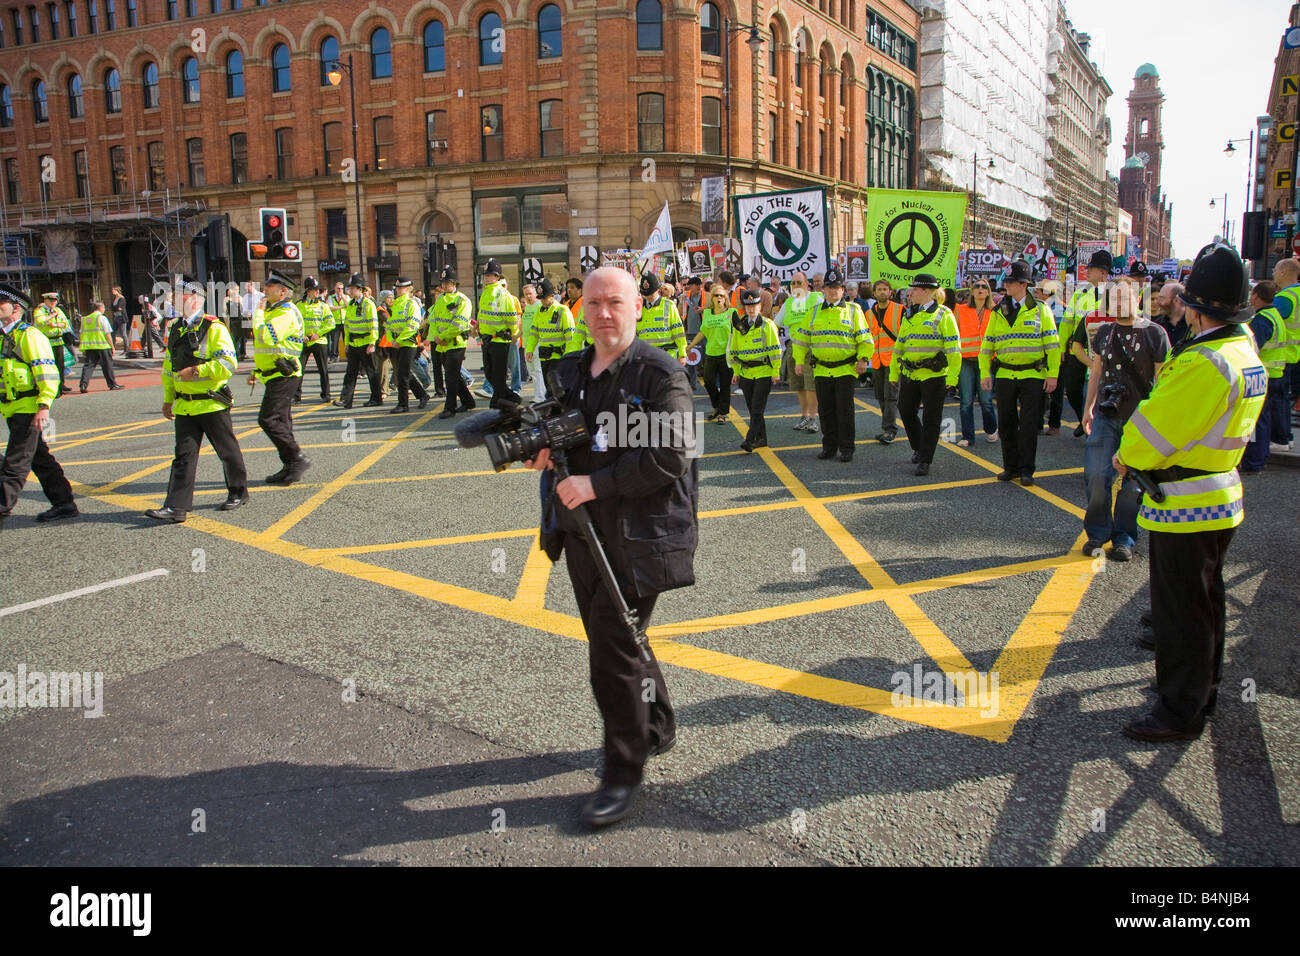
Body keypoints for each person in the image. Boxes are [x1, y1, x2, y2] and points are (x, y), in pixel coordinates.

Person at [525, 267, 696, 826]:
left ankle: (622, 771)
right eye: (593, 302)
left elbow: (669, 455)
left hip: (637, 536)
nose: (602, 312)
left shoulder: (659, 374)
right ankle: (658, 723)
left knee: (609, 653)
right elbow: (565, 436)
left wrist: (595, 484)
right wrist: (544, 452)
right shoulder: (572, 372)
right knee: (622, 637)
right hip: (580, 533)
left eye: (614, 302)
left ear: (638, 307)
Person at [1115, 243, 1265, 742]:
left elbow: (1156, 431)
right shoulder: (1242, 350)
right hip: (1219, 494)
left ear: (1198, 308)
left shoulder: (1205, 361)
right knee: (1207, 603)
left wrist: (1127, 454)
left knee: (1180, 613)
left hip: (1186, 501)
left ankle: (1179, 710)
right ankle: (1205, 691)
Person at [1079, 277, 1170, 560]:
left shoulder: (1156, 333)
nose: (1117, 304)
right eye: (1113, 299)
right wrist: (1087, 408)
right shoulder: (1104, 332)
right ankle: (1097, 532)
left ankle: (1124, 537)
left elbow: (1163, 380)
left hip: (1141, 419)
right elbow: (1096, 372)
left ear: (1137, 299)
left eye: (1123, 298)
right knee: (1096, 474)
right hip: (1107, 413)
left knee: (1132, 483)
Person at [145, 277, 248, 522]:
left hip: (211, 401)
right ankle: (176, 507)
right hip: (185, 405)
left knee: (227, 451)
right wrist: (168, 398)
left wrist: (197, 371)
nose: (172, 299)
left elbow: (227, 364)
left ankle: (238, 491)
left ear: (193, 298)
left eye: (178, 294)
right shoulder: (177, 328)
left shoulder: (214, 327)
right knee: (183, 456)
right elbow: (169, 367)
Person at [0, 284, 78, 528]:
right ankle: (64, 503)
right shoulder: (5, 336)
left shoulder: (29, 335)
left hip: (29, 409)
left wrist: (44, 405)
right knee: (38, 458)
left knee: (15, 465)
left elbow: (47, 372)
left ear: (15, 308)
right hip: (12, 408)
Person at [978, 259, 1060, 486]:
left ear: (1023, 284)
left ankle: (1026, 469)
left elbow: (1053, 346)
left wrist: (1052, 374)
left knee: (1029, 425)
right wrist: (985, 372)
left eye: (1011, 281)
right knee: (1006, 423)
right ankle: (1010, 467)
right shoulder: (998, 311)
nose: (1007, 285)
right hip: (1005, 375)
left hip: (1032, 375)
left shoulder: (1041, 310)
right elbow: (987, 346)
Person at [793, 267, 873, 462]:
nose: (832, 291)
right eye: (829, 288)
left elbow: (865, 339)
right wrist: (799, 360)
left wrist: (863, 359)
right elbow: (802, 339)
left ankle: (846, 448)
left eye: (836, 287)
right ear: (823, 290)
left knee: (845, 411)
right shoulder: (813, 313)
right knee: (826, 411)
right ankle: (829, 447)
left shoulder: (854, 311)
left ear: (843, 289)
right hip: (821, 369)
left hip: (845, 369)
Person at [890, 275, 961, 476]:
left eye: (915, 289)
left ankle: (925, 459)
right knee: (905, 410)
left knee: (931, 418)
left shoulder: (943, 314)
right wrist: (894, 372)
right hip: (911, 372)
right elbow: (900, 346)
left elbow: (954, 348)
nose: (911, 292)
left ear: (928, 291)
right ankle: (920, 447)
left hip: (934, 374)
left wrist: (952, 378)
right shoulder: (909, 313)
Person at [248, 271, 311, 484]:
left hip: (285, 374)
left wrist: (257, 314)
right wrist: (256, 371)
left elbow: (266, 336)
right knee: (282, 421)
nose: (266, 289)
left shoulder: (285, 312)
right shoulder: (275, 311)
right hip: (275, 373)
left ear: (283, 291)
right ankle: (290, 465)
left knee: (269, 419)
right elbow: (267, 348)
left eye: (270, 286)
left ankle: (296, 458)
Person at [1054, 251, 1112, 436]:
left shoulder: (1114, 294)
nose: (1087, 272)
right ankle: (1082, 418)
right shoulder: (1080, 293)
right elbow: (1067, 322)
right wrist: (1062, 345)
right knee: (1072, 390)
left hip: (1103, 352)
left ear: (1103, 272)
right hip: (1077, 350)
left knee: (1096, 392)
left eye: (1091, 269)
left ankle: (1093, 426)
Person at [1241, 281, 1289, 473]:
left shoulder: (1262, 320)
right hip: (1275, 373)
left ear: (1256, 296)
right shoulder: (1274, 315)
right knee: (1264, 420)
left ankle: (1254, 461)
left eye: (1252, 295)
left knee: (1256, 421)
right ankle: (1260, 457)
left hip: (1264, 374)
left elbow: (1252, 348)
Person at [727, 288, 781, 452]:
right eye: (748, 306)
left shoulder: (767, 325)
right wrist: (735, 371)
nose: (751, 309)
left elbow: (775, 350)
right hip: (745, 373)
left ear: (760, 306)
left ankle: (750, 439)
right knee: (752, 408)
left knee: (757, 408)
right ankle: (762, 439)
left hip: (763, 371)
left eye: (755, 305)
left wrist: (776, 371)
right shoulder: (739, 325)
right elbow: (734, 350)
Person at [954, 281, 998, 446]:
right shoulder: (961, 310)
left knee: (986, 400)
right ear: (971, 291)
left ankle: (991, 428)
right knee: (966, 400)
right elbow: (955, 333)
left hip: (986, 360)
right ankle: (967, 436)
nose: (980, 289)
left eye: (984, 287)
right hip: (966, 360)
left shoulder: (995, 311)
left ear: (988, 292)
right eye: (977, 286)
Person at [776, 272, 822, 432]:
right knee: (799, 386)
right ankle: (804, 416)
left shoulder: (816, 298)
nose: (796, 286)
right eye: (793, 283)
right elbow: (776, 324)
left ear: (806, 284)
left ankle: (812, 418)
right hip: (794, 347)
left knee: (811, 386)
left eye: (799, 282)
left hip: (811, 347)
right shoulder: (788, 302)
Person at [430, 266, 477, 420]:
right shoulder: (441, 299)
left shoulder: (462, 300)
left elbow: (459, 324)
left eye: (447, 282)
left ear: (454, 283)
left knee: (450, 377)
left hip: (456, 343)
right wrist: (438, 337)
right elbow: (434, 320)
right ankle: (468, 401)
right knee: (454, 376)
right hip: (442, 343)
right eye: (443, 283)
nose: (444, 285)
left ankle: (450, 407)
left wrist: (443, 336)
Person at [476, 259, 522, 408]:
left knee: (498, 375)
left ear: (497, 277)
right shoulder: (485, 293)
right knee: (490, 373)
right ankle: (511, 397)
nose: (487, 278)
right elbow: (482, 313)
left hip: (500, 340)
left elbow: (511, 318)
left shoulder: (502, 294)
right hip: (487, 339)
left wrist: (511, 333)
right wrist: (477, 326)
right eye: (486, 275)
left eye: (490, 275)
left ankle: (497, 403)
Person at [332, 274, 382, 409]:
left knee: (372, 372)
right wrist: (347, 343)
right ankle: (346, 400)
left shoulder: (368, 304)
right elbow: (347, 325)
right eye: (350, 288)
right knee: (350, 373)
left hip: (366, 343)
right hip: (354, 344)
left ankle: (376, 398)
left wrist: (372, 343)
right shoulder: (351, 305)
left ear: (360, 289)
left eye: (353, 288)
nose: (350, 291)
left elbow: (373, 324)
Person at [864, 278, 903, 443]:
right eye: (879, 289)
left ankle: (890, 429)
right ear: (874, 293)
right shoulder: (869, 313)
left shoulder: (900, 310)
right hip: (877, 360)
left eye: (885, 289)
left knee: (890, 396)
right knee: (880, 395)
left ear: (890, 292)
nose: (882, 292)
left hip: (894, 360)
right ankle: (887, 427)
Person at [690, 286, 735, 423]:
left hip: (726, 354)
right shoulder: (708, 313)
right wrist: (690, 346)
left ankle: (722, 413)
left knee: (725, 385)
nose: (719, 298)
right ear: (712, 298)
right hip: (711, 353)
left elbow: (738, 332)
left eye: (722, 295)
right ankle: (717, 406)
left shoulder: (732, 312)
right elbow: (702, 332)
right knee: (708, 382)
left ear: (726, 298)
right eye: (716, 295)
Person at [1269, 257, 1300, 452]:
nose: (1273, 273)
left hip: (1281, 355)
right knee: (1285, 397)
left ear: (1282, 272)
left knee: (1278, 398)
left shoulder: (1285, 298)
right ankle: (1286, 437)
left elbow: (1269, 319)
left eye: (1275, 269)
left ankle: (1281, 438)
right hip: (1294, 353)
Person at [523, 277, 577, 390]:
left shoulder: (562, 310)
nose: (542, 301)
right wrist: (529, 350)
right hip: (544, 356)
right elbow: (534, 333)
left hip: (558, 357)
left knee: (558, 388)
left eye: (545, 298)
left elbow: (570, 336)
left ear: (552, 296)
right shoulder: (539, 311)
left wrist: (569, 356)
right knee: (549, 388)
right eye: (541, 298)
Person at [386, 277, 430, 413]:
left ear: (409, 289)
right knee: (403, 373)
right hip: (397, 344)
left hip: (409, 344)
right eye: (397, 288)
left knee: (402, 374)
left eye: (402, 288)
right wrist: (391, 340)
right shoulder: (395, 305)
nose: (399, 290)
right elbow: (389, 326)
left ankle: (403, 404)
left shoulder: (411, 304)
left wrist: (398, 340)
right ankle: (422, 395)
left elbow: (412, 325)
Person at [295, 276, 333, 403]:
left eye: (317, 289)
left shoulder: (323, 306)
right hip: (304, 341)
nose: (317, 292)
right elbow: (294, 324)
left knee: (323, 369)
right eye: (314, 289)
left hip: (319, 341)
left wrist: (318, 333)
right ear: (307, 291)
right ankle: (296, 396)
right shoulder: (298, 306)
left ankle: (326, 395)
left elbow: (330, 323)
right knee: (299, 370)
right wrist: (301, 336)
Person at [635, 272, 688, 363]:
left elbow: (678, 331)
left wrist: (682, 353)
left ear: (657, 290)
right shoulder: (639, 307)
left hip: (666, 356)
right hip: (644, 357)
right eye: (645, 294)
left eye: (650, 293)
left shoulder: (669, 305)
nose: (648, 297)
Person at [77, 300, 124, 393]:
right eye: (104, 308)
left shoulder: (85, 319)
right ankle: (112, 384)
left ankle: (83, 384)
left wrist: (83, 347)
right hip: (103, 346)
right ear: (101, 308)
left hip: (90, 346)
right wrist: (112, 346)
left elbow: (81, 333)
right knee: (107, 365)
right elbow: (107, 334)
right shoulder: (101, 318)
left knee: (88, 366)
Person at [31, 292, 72, 395]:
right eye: (51, 301)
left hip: (58, 340)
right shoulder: (40, 310)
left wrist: (55, 324)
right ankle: (54, 389)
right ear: (45, 301)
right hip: (47, 341)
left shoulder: (58, 310)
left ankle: (61, 385)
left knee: (60, 365)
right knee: (50, 366)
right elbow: (40, 321)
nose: (53, 303)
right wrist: (51, 317)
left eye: (55, 301)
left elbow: (65, 323)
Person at [1151, 280, 1187, 350]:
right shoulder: (1157, 325)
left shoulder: (1194, 324)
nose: (1158, 302)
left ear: (1176, 300)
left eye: (1162, 298)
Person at [111, 286, 128, 353]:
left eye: (113, 290)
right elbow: (112, 307)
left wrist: (115, 308)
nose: (112, 292)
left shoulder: (122, 298)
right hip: (116, 317)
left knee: (123, 334)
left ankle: (126, 348)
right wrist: (115, 308)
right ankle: (113, 347)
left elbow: (119, 307)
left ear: (117, 291)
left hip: (121, 317)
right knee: (113, 332)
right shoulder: (115, 298)